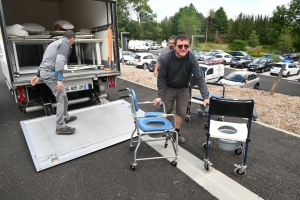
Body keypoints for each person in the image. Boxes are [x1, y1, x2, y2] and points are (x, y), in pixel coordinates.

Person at [153, 34, 209, 144]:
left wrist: (205, 96)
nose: (183, 48)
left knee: (182, 112)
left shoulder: (191, 57)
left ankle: (176, 132)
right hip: (169, 87)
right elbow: (161, 78)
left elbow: (199, 77)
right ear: (174, 46)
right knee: (167, 109)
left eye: (186, 46)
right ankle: (168, 129)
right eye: (180, 46)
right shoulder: (167, 58)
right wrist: (160, 95)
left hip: (183, 88)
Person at [30, 30, 77, 134]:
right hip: (51, 74)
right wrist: (59, 80)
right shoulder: (65, 45)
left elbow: (45, 60)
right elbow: (59, 61)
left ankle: (65, 116)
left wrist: (38, 75)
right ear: (72, 39)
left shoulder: (54, 43)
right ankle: (60, 126)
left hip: (45, 72)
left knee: (64, 97)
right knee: (61, 98)